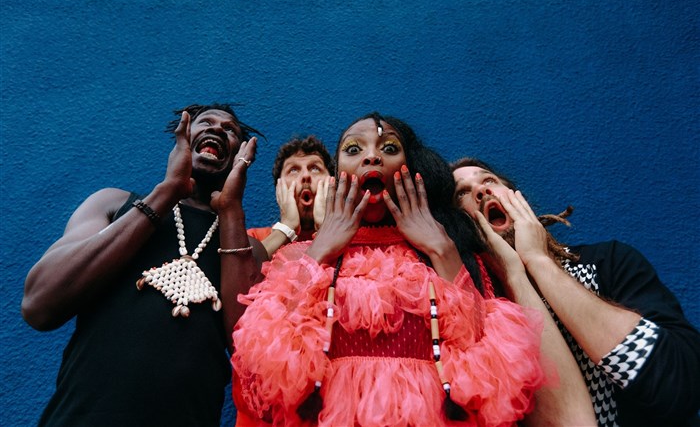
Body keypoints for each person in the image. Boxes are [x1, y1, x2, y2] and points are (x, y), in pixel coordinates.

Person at [231, 113, 590, 426]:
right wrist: (322, 249)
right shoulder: (299, 256)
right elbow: (263, 370)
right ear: (337, 176)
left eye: (389, 147)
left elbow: (487, 371)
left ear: (411, 168)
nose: (372, 156)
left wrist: (441, 249)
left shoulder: (445, 254)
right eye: (353, 149)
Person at [21, 103, 267, 427]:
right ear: (182, 138)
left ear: (239, 157)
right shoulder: (113, 204)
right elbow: (39, 304)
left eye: (230, 130)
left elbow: (251, 360)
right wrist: (168, 191)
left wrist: (231, 209)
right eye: (205, 122)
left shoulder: (250, 251)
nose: (218, 129)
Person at [452, 157, 700, 427]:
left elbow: (680, 386)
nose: (481, 190)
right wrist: (513, 276)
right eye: (462, 192)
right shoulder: (474, 317)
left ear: (519, 199)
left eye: (489, 179)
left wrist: (539, 260)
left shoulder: (608, 262)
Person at [248, 135, 334, 258]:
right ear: (279, 189)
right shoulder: (254, 239)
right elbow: (240, 268)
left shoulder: (352, 237)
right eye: (293, 170)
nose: (305, 175)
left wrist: (325, 227)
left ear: (332, 183)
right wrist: (286, 227)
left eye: (315, 168)